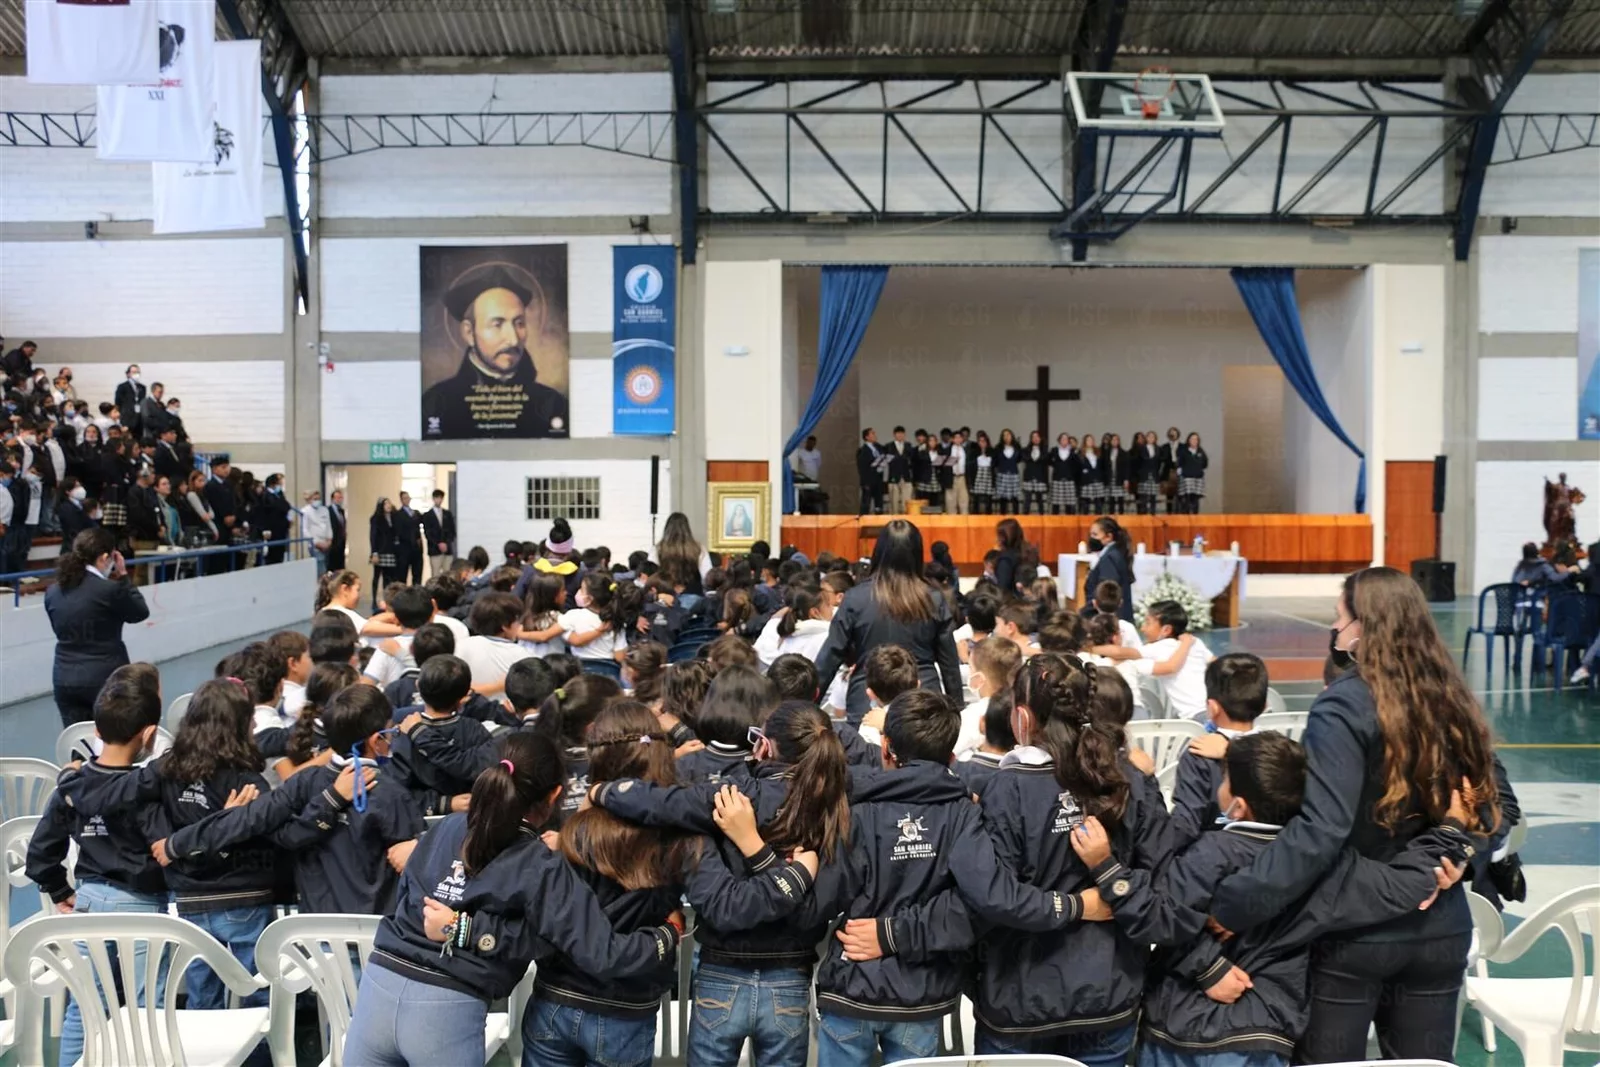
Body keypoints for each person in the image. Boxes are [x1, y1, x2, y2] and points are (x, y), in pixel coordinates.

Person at [1207, 566, 1501, 1062]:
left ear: (1365, 627)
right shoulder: (1454, 699)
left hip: (1356, 930)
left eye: (1340, 620)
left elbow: (1321, 830)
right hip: (1441, 930)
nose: (1335, 632)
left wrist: (1237, 902)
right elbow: (1491, 806)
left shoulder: (1343, 707)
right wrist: (1460, 856)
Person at [1074, 731, 1480, 1067]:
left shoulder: (1210, 854)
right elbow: (1405, 885)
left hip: (1182, 1032)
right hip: (1265, 1032)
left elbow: (1158, 920)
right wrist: (1453, 828)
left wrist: (1108, 870)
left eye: (1226, 777)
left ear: (1239, 803)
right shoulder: (1330, 866)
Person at [26, 664, 168, 1067]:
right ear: (149, 735)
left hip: (87, 906)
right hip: (141, 912)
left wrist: (60, 890)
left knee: (84, 1008)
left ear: (97, 732)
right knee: (147, 1011)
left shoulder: (70, 787)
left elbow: (40, 853)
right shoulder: (146, 790)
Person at [814, 519, 962, 724]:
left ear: (879, 552)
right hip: (923, 702)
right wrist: (956, 712)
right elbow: (949, 664)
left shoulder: (856, 598)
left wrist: (806, 708)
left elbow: (828, 659)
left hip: (868, 700)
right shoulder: (933, 599)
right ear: (918, 553)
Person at [421, 264, 570, 439]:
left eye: (519, 323)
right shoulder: (438, 403)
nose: (513, 339)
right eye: (497, 324)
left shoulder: (553, 403)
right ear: (469, 333)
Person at [44, 528, 150, 727]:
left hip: (65, 677)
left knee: (77, 742)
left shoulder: (53, 591)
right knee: (112, 741)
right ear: (104, 558)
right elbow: (140, 612)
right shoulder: (109, 590)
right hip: (105, 677)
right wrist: (124, 576)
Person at [1169, 652, 1269, 846]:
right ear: (1265, 706)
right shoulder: (1281, 751)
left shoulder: (1199, 754)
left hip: (1210, 863)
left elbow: (1185, 827)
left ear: (1212, 708)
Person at [1084, 516, 1135, 623]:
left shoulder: (1109, 557)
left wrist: (1085, 612)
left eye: (1095, 535)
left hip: (1109, 618)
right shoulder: (1115, 553)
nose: (1092, 538)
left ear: (1108, 537)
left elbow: (1107, 591)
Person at [369, 497, 400, 606]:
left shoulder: (394, 517)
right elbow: (373, 536)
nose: (388, 505)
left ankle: (387, 600)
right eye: (386, 503)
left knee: (389, 577)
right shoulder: (376, 519)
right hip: (380, 551)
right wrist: (374, 552)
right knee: (377, 576)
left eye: (389, 503)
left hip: (392, 551)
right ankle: (374, 600)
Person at [256, 472, 293, 565]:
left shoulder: (279, 495)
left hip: (281, 529)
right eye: (280, 482)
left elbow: (286, 506)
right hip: (272, 529)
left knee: (280, 553)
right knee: (272, 555)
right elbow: (267, 511)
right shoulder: (265, 496)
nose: (281, 484)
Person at [422, 488, 456, 577]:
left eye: (441, 498)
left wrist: (446, 543)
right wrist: (438, 544)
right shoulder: (427, 515)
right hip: (434, 549)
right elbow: (428, 533)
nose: (439, 500)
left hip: (447, 550)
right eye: (437, 498)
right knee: (436, 575)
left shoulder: (447, 514)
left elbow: (452, 531)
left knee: (448, 575)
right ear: (433, 499)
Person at [394, 490, 424, 584]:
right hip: (404, 549)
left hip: (417, 548)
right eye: (404, 498)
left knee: (417, 573)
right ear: (401, 500)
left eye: (408, 498)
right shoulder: (398, 515)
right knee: (402, 574)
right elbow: (398, 531)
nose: (407, 500)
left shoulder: (416, 513)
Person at [300, 490, 333, 576]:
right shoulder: (305, 511)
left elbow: (328, 526)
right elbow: (305, 530)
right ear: (310, 499)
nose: (317, 501)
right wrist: (316, 543)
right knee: (320, 568)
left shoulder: (324, 510)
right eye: (315, 499)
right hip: (315, 544)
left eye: (318, 499)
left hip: (326, 543)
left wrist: (329, 540)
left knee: (326, 566)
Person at [992, 517, 1027, 597]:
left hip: (1011, 605)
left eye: (998, 536)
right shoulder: (1028, 553)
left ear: (1003, 538)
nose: (996, 539)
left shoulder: (1005, 560)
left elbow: (1002, 589)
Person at [856, 428, 886, 516]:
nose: (875, 435)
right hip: (868, 480)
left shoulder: (879, 447)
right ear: (867, 437)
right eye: (872, 434)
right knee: (866, 502)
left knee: (879, 501)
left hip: (878, 478)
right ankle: (863, 519)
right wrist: (865, 482)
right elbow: (862, 468)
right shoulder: (862, 450)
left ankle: (879, 516)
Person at [1178, 432, 1208, 514]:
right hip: (1187, 477)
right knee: (1187, 498)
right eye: (1192, 439)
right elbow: (1180, 463)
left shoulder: (1201, 451)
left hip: (1198, 477)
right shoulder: (1184, 451)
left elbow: (1205, 464)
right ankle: (1186, 516)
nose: (1194, 441)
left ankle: (1195, 516)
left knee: (1195, 498)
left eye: (1196, 439)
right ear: (1188, 440)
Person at [114, 364, 146, 438]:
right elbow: (118, 403)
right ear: (128, 374)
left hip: (139, 418)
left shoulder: (142, 388)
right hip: (127, 417)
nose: (136, 375)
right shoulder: (122, 387)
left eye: (138, 372)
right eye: (134, 372)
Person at [971, 430, 995, 515]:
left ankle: (989, 516)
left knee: (988, 499)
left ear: (987, 442)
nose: (982, 443)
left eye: (984, 441)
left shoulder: (992, 451)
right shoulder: (974, 452)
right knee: (976, 498)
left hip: (988, 476)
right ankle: (975, 515)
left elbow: (994, 464)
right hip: (978, 475)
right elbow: (972, 465)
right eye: (980, 441)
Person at [327, 488, 348, 570]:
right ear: (332, 499)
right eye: (337, 497)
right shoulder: (328, 510)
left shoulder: (341, 511)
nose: (339, 499)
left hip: (341, 541)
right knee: (332, 563)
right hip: (333, 541)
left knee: (341, 563)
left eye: (340, 497)